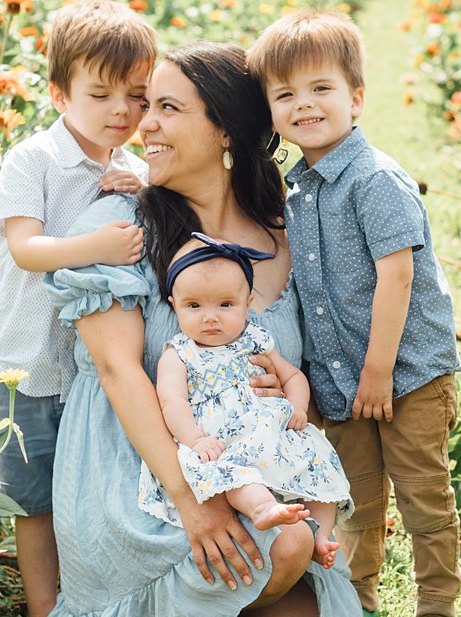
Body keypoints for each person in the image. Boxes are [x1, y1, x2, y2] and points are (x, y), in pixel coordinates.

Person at [0, 42, 374, 617]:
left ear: (226, 130)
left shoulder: (281, 228)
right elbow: (120, 375)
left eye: (168, 108)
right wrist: (191, 502)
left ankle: (203, 615)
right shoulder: (121, 226)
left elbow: (302, 365)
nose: (145, 124)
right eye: (150, 106)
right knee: (280, 547)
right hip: (140, 476)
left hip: (258, 479)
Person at [246, 10, 461, 617]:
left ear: (357, 98)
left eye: (320, 89)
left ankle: (439, 615)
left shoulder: (374, 178)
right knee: (357, 497)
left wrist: (378, 369)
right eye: (285, 95)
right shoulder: (299, 186)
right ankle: (359, 598)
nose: (303, 105)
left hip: (408, 371)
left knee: (424, 494)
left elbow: (396, 276)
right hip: (345, 380)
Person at [0, 0, 154, 617]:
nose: (120, 112)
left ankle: (89, 601)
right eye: (100, 94)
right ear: (59, 94)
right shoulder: (35, 161)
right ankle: (44, 613)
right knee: (34, 497)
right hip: (26, 363)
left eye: (136, 97)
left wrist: (146, 195)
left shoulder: (134, 170)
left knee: (84, 488)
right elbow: (27, 249)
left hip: (91, 370)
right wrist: (97, 246)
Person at [139, 233, 351, 570]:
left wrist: (297, 406)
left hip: (273, 433)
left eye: (225, 305)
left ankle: (320, 534)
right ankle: (263, 508)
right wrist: (196, 439)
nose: (210, 317)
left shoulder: (256, 340)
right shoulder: (179, 354)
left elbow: (293, 376)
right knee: (236, 474)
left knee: (318, 464)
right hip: (223, 442)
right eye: (194, 306)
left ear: (248, 301)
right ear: (174, 304)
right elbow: (172, 402)